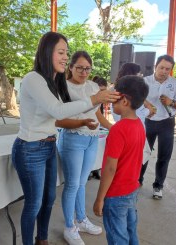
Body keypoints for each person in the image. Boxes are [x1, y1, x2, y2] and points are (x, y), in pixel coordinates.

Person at [11, 33, 119, 245]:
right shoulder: (33, 78)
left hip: (49, 145)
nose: (64, 57)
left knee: (49, 199)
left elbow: (73, 106)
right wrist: (96, 98)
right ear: (46, 52)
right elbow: (58, 111)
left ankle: (42, 239)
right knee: (34, 203)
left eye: (65, 53)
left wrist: (100, 99)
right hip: (30, 148)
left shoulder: (54, 81)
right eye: (61, 53)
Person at [55, 51, 112, 245]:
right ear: (70, 67)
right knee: (72, 184)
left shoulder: (94, 86)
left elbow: (97, 113)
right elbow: (59, 120)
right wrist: (81, 124)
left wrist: (114, 128)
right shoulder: (62, 87)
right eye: (79, 67)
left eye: (87, 68)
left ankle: (81, 219)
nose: (84, 72)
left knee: (81, 183)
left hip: (92, 139)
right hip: (72, 138)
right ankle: (69, 227)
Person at [93, 75, 149, 245]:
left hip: (116, 194)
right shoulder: (139, 124)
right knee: (131, 231)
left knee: (118, 238)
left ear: (124, 101)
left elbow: (110, 169)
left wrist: (100, 198)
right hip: (132, 189)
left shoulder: (118, 130)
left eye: (114, 97)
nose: (110, 101)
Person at [139, 54, 176, 200]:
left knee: (164, 156)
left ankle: (158, 186)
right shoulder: (144, 81)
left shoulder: (175, 84)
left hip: (167, 122)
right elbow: (136, 98)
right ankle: (137, 180)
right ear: (155, 67)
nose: (164, 71)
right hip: (147, 121)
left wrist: (171, 102)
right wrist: (147, 104)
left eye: (168, 69)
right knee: (143, 153)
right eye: (161, 67)